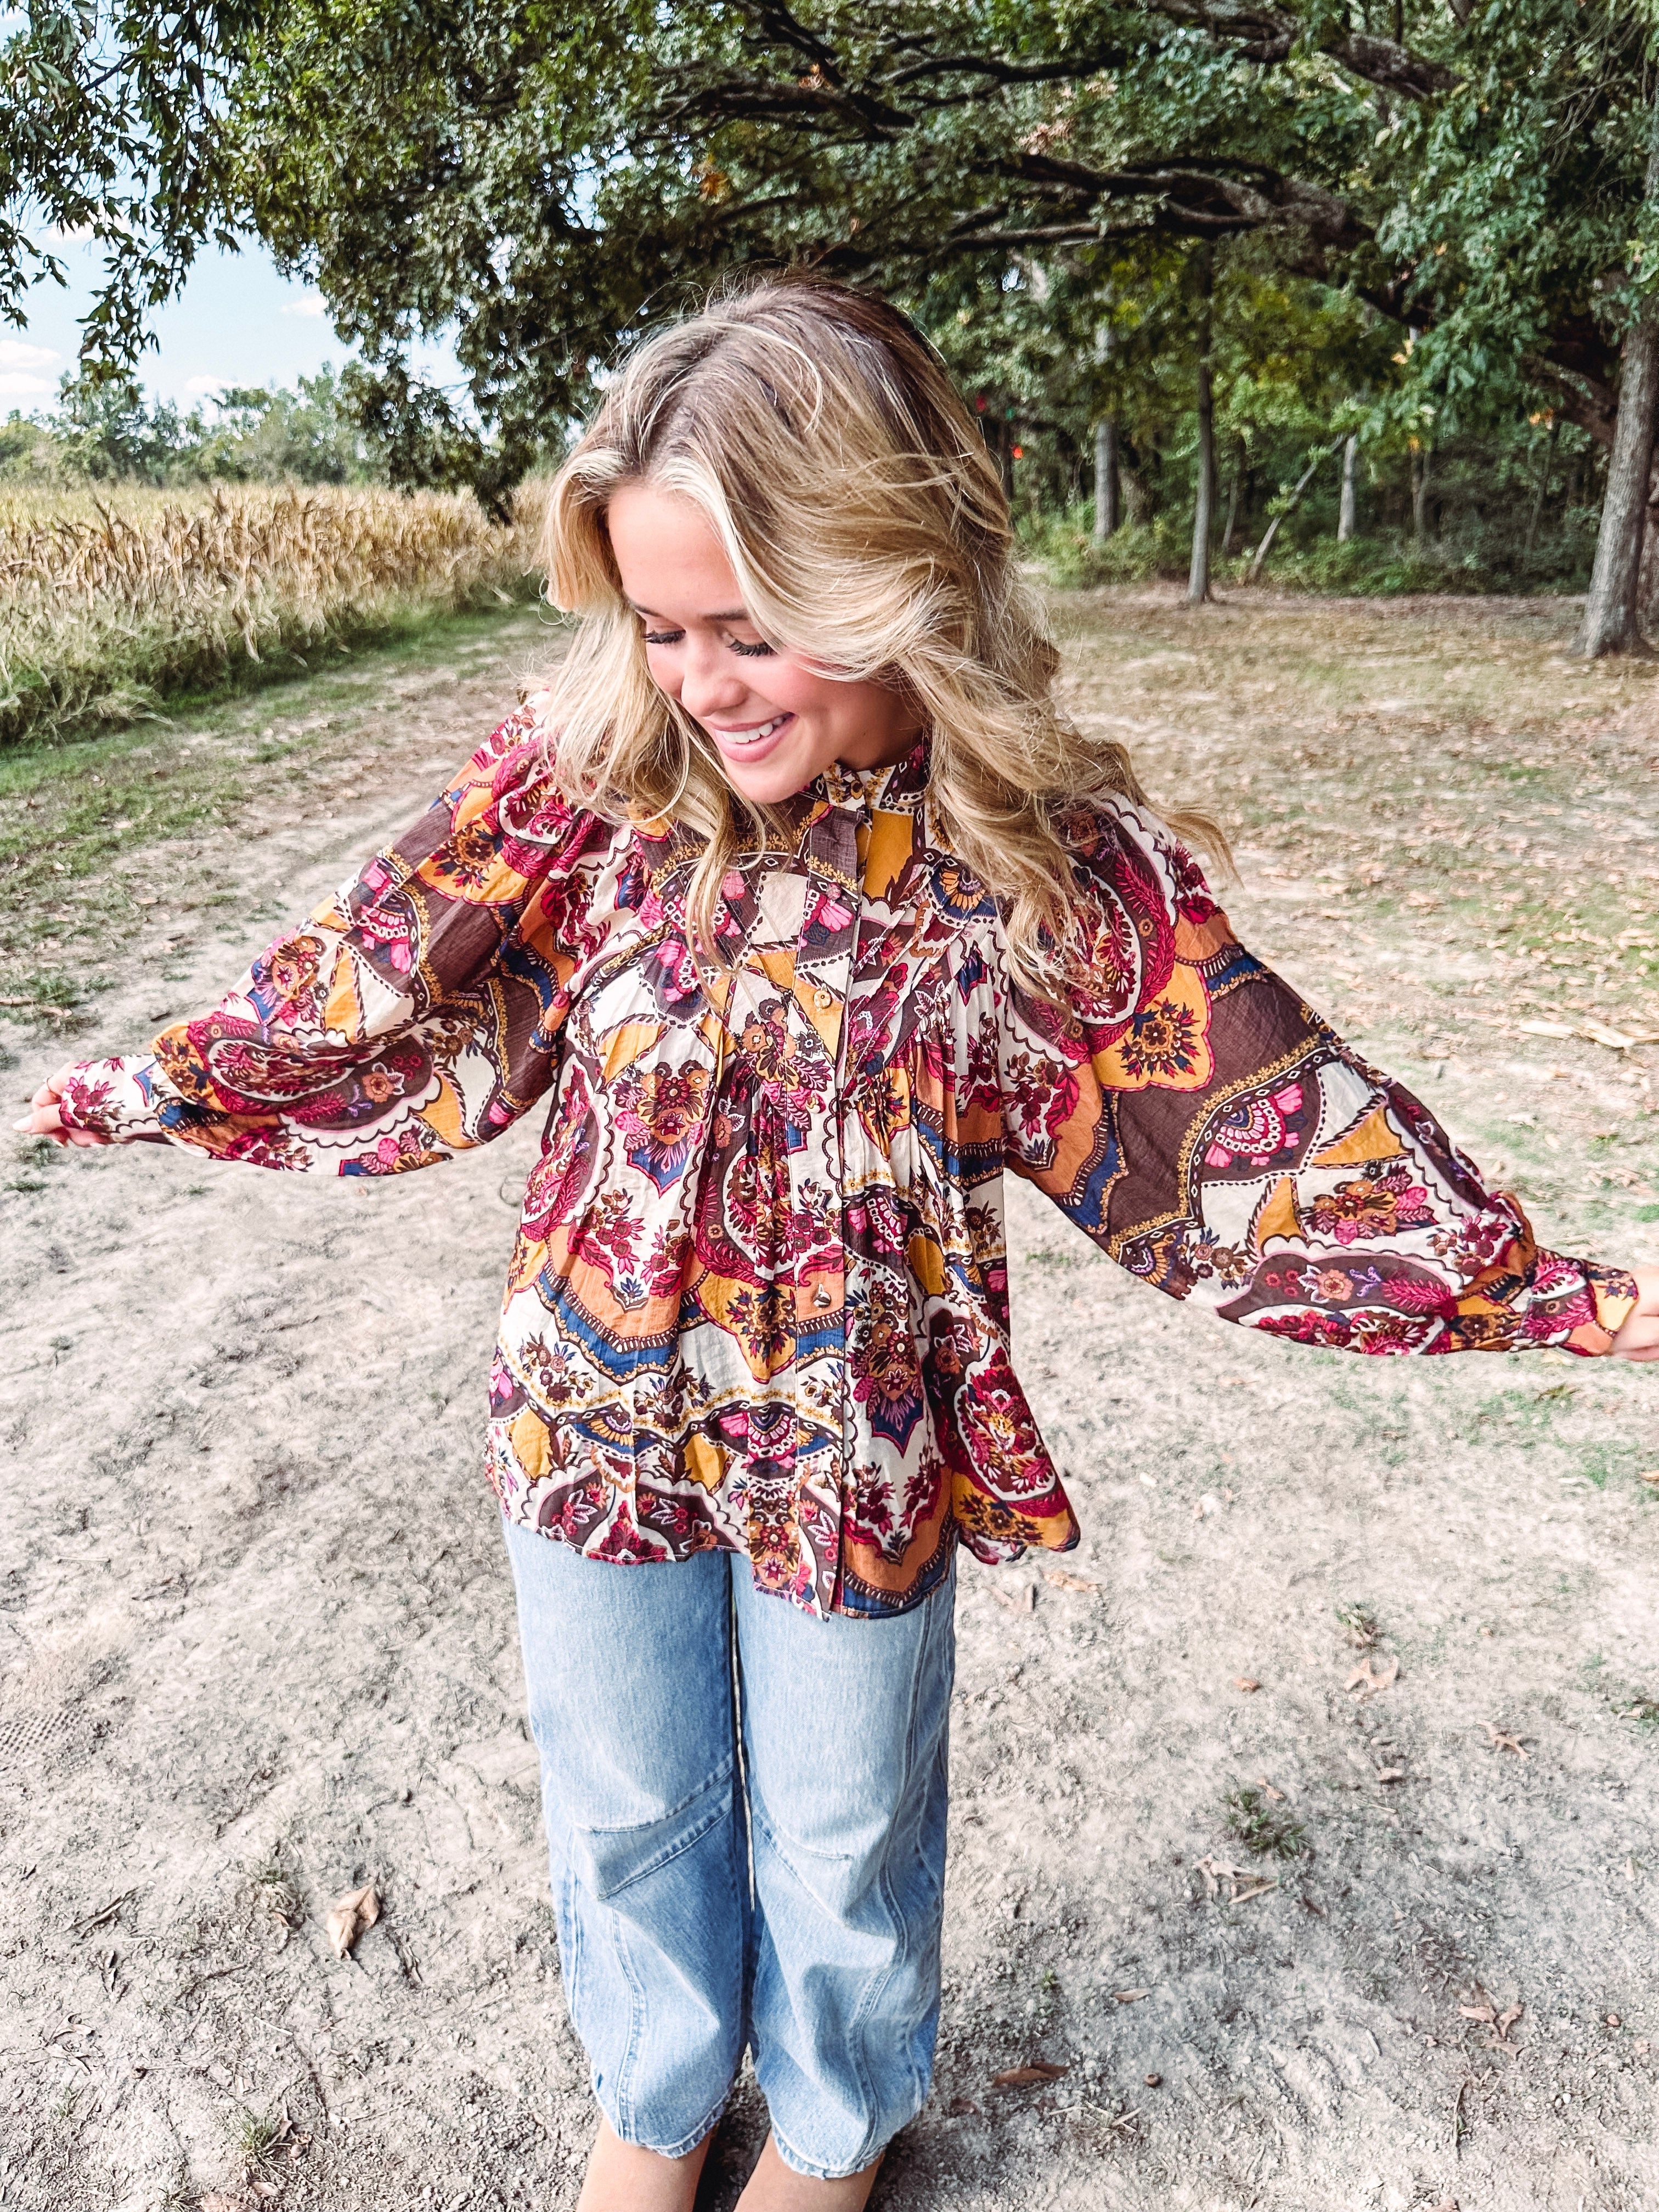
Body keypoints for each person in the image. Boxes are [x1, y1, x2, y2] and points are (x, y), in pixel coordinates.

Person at [19, 275, 1659, 2211]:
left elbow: (1260, 1132)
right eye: (661, 628)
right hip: (586, 1402)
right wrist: (135, 1085)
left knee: (842, 1820)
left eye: (754, 627)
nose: (703, 683)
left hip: (852, 1430)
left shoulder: (1035, 874)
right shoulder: (586, 798)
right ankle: (654, 2102)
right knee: (626, 1794)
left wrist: (1558, 1297)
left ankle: (829, 2125)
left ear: (901, 578)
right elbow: (377, 980)